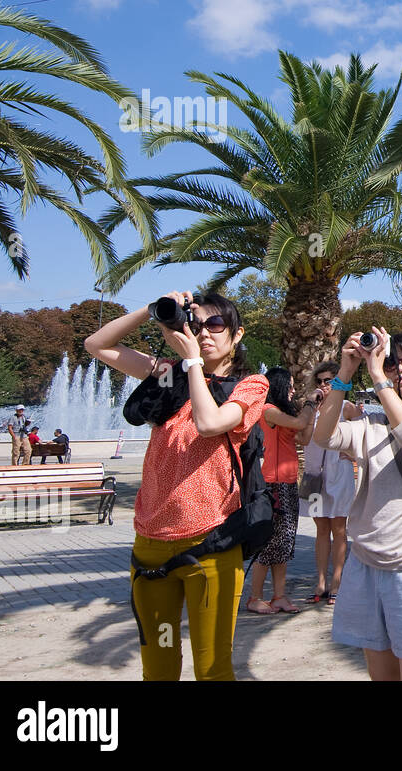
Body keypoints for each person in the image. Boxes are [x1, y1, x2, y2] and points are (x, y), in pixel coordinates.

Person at [84, 290, 268, 681]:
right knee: (159, 666)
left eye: (215, 324)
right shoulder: (170, 374)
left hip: (211, 543)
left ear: (237, 334)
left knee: (212, 669)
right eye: (196, 324)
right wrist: (153, 309)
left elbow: (210, 423)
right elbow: (96, 345)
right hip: (151, 542)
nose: (204, 332)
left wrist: (193, 364)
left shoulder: (250, 385)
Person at [311, 327, 402, 682]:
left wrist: (377, 377)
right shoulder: (374, 423)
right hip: (364, 563)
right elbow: (324, 436)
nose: (400, 370)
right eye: (392, 363)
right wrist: (345, 373)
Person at [247, 367, 314, 615]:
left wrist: (312, 410)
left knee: (284, 542)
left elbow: (304, 438)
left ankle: (279, 596)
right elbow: (299, 423)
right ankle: (254, 597)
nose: (293, 390)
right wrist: (309, 404)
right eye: (290, 386)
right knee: (268, 544)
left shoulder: (282, 414)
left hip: (287, 482)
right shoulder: (268, 411)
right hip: (273, 482)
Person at [302, 360, 362, 606]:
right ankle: (320, 582)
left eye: (329, 381)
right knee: (321, 530)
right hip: (316, 476)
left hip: (339, 474)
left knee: (339, 529)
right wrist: (310, 406)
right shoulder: (310, 409)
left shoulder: (346, 408)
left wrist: (353, 453)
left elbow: (365, 434)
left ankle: (337, 581)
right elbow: (302, 437)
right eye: (320, 381)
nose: (324, 385)